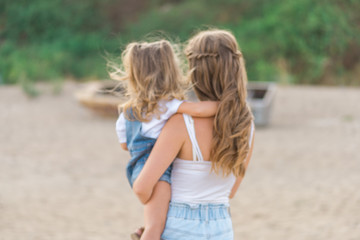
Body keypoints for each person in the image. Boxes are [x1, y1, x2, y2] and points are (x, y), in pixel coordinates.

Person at [133, 29, 255, 240]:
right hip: (222, 228)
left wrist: (155, 219)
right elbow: (231, 191)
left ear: (196, 73)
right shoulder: (246, 124)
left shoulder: (182, 124)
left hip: (180, 225)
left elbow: (143, 187)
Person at [110, 40, 219, 240]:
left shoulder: (126, 112)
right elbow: (201, 109)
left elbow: (124, 144)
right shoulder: (167, 106)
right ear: (170, 72)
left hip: (137, 166)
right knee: (155, 226)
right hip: (157, 171)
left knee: (156, 219)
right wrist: (226, 105)